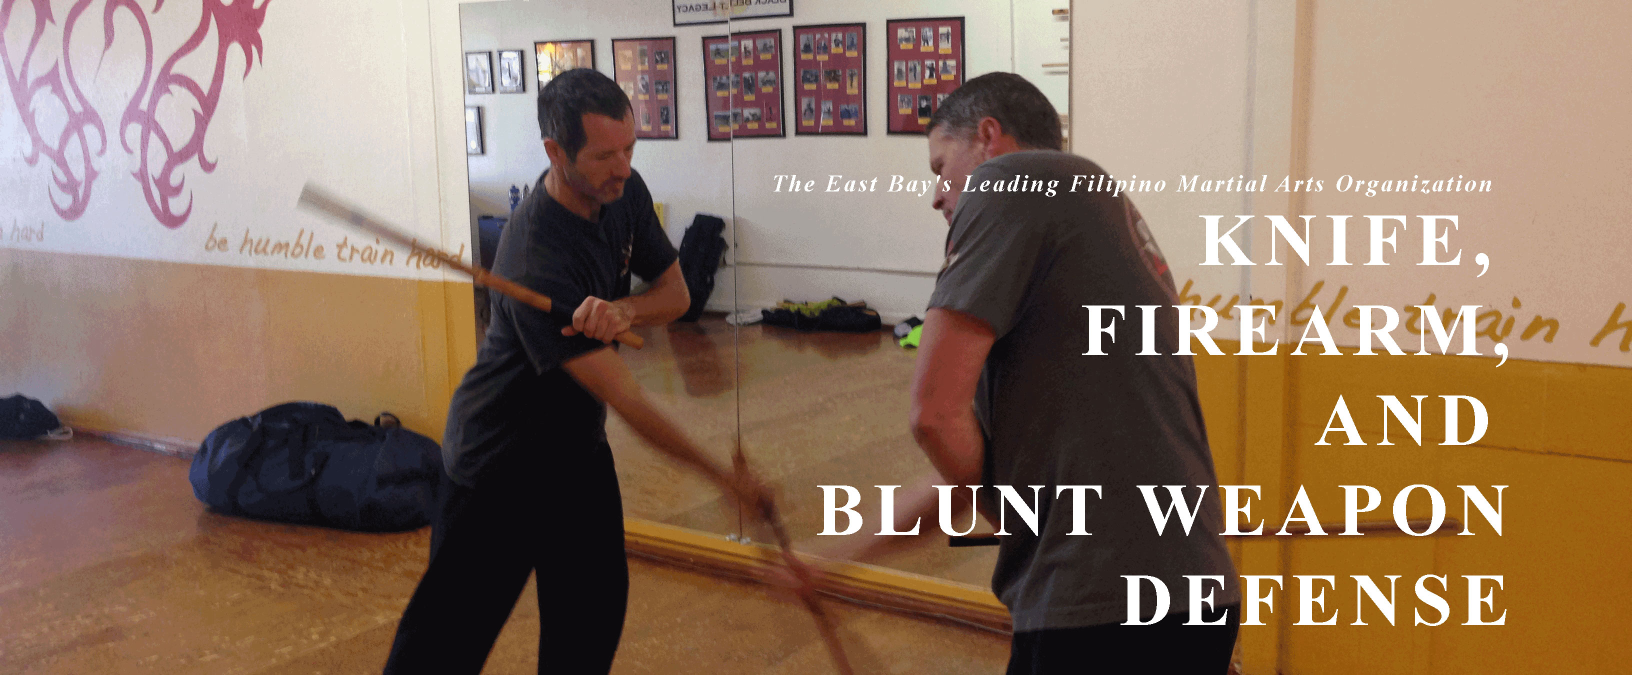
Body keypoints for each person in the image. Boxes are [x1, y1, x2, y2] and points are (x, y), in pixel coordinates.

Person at [812, 72, 1241, 673]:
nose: (937, 195)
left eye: (941, 168)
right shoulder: (1092, 205)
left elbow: (933, 416)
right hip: (1192, 600)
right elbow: (972, 473)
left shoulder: (1012, 182)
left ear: (988, 137)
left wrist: (1021, 521)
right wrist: (836, 558)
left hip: (1100, 612)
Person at [383, 68, 767, 674]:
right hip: (496, 469)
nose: (622, 167)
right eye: (603, 156)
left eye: (629, 149)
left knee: (589, 626)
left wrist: (622, 309)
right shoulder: (536, 255)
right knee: (442, 651)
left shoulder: (623, 192)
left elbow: (678, 295)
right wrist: (721, 476)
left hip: (575, 455)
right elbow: (630, 401)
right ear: (555, 153)